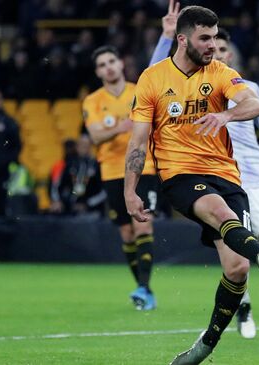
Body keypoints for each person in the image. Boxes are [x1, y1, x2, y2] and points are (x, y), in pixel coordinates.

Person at [124, 6, 259, 364]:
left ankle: (206, 345)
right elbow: (138, 143)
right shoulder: (152, 79)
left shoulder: (220, 72)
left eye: (215, 37)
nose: (212, 44)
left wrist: (226, 114)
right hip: (180, 176)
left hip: (227, 175)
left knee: (237, 269)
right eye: (205, 37)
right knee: (219, 212)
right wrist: (130, 190)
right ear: (183, 39)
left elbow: (253, 102)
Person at [83, 44, 160, 310]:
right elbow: (94, 135)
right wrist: (121, 127)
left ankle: (144, 288)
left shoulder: (138, 91)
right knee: (127, 234)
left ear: (121, 63)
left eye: (112, 61)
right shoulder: (92, 101)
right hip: (112, 171)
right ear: (98, 72)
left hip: (144, 167)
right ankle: (143, 287)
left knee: (143, 225)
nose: (109, 67)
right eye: (103, 64)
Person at [53, 135, 107, 217]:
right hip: (70, 208)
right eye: (81, 145)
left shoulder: (96, 166)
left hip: (92, 210)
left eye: (86, 145)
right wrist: (58, 200)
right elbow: (57, 184)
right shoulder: (70, 164)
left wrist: (87, 204)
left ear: (90, 147)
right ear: (77, 146)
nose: (83, 148)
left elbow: (104, 191)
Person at [0, 89, 21, 217]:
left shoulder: (9, 122)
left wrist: (6, 162)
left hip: (3, 172)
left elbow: (16, 146)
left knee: (2, 203)